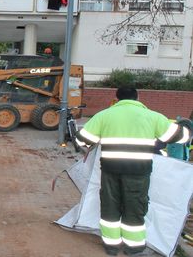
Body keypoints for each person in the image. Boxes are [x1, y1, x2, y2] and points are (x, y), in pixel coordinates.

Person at [75, 87, 191, 256]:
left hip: (110, 170)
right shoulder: (152, 116)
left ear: (117, 99)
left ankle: (111, 246)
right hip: (138, 172)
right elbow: (180, 137)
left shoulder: (104, 115)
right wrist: (185, 128)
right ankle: (133, 247)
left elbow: (82, 140)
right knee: (135, 205)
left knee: (110, 204)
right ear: (138, 97)